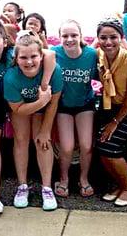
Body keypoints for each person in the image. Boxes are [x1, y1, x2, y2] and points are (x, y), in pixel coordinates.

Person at [0, 22, 56, 215]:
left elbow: (48, 54)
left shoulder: (11, 55)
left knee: (28, 140)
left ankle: (5, 194)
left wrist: (45, 83)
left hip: (14, 100)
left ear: (5, 42)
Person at [4, 32, 63, 211]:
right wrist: (41, 101)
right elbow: (17, 109)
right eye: (23, 57)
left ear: (41, 56)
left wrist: (45, 131)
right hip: (22, 106)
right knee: (21, 140)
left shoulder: (54, 71)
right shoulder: (11, 77)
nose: (29, 62)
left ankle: (46, 187)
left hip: (43, 108)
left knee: (42, 141)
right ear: (16, 58)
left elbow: (53, 103)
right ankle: (22, 185)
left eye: (33, 57)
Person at [95, 18, 127, 207]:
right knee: (100, 143)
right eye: (103, 37)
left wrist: (115, 122)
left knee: (110, 146)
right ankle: (117, 184)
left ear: (121, 38)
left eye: (113, 37)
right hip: (110, 103)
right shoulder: (99, 54)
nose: (108, 42)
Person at [52, 20, 98, 198]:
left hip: (84, 103)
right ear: (59, 38)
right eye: (65, 36)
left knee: (86, 145)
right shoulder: (54, 53)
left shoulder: (91, 54)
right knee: (67, 146)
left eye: (74, 35)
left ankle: (83, 179)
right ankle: (63, 179)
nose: (69, 39)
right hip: (63, 105)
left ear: (81, 36)